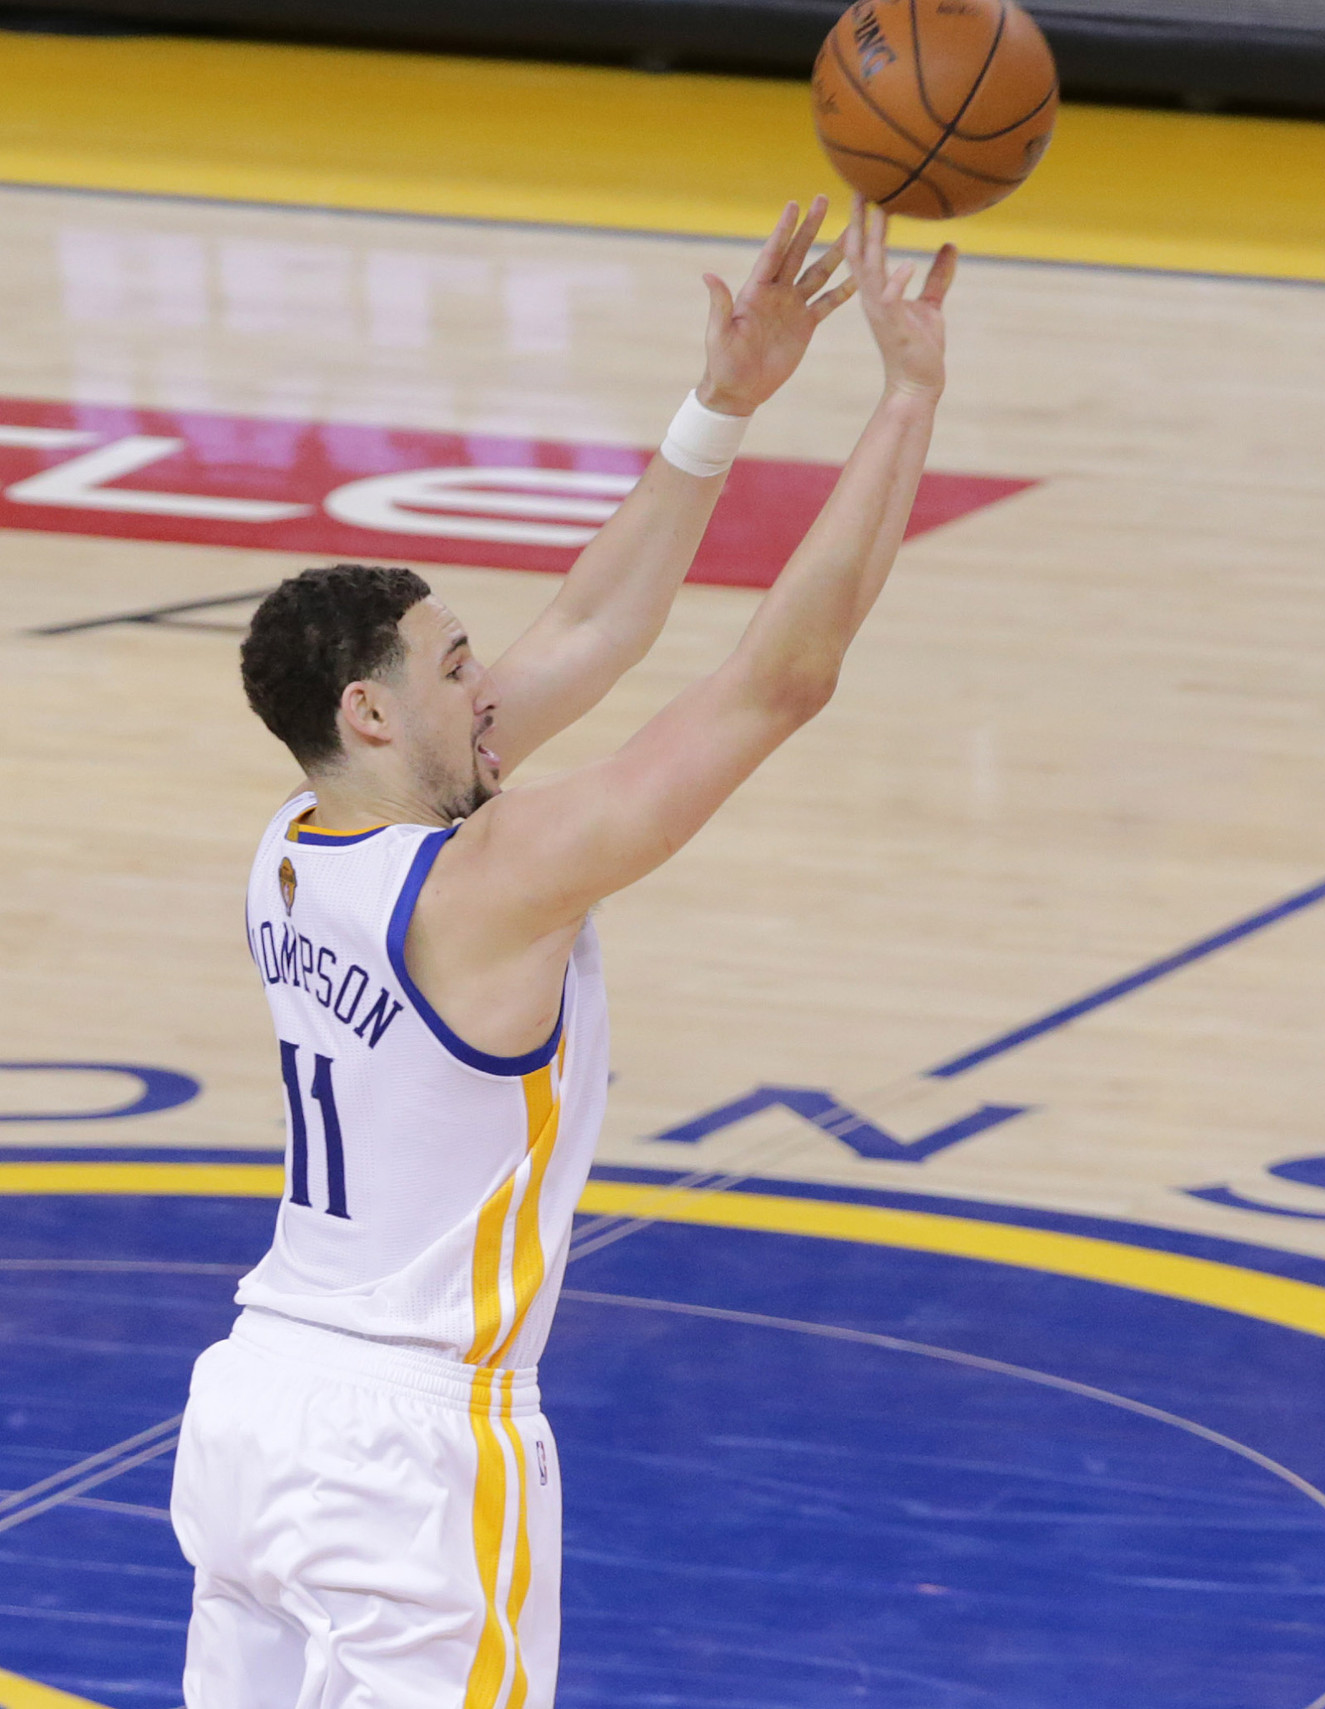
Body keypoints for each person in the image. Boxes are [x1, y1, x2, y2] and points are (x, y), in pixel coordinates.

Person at [171, 195, 955, 1707]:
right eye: (459, 665)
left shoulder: (298, 837)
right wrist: (907, 394)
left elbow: (595, 627)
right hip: (410, 1444)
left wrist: (718, 407)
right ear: (375, 714)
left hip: (255, 1405)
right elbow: (778, 680)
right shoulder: (494, 881)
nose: (495, 685)